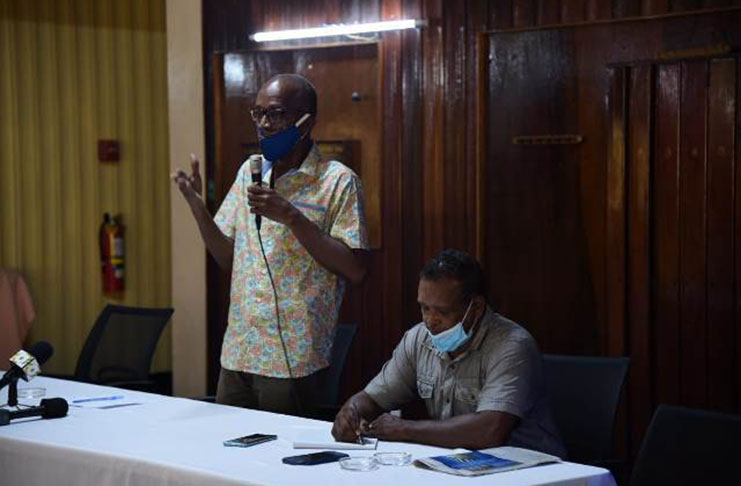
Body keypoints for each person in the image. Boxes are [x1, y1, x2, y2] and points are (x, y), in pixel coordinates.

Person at [172, 74, 369, 415]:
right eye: (258, 113)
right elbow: (228, 259)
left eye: (275, 114)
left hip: (292, 357)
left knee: (277, 464)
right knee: (226, 459)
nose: (264, 124)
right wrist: (197, 206)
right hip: (239, 351)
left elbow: (356, 270)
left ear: (306, 121)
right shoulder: (250, 171)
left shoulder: (337, 180)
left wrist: (292, 217)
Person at [332, 249, 565, 456]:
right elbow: (372, 398)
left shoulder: (512, 345)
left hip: (529, 468)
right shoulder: (418, 338)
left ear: (475, 307)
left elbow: (490, 430)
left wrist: (405, 428)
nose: (429, 321)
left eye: (441, 311)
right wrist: (350, 412)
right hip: (459, 464)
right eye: (424, 307)